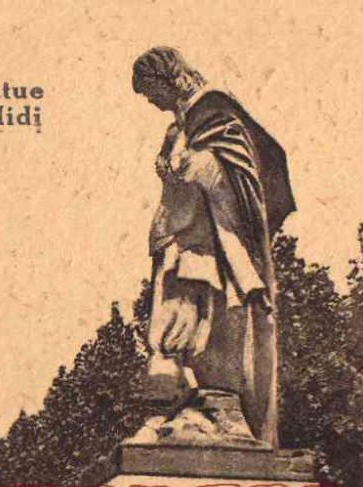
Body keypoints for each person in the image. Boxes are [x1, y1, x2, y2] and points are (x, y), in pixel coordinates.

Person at [130, 46, 294, 446]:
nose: (151, 102)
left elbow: (239, 175)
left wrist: (191, 165)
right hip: (180, 239)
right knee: (172, 323)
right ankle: (173, 408)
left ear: (168, 78)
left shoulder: (212, 108)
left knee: (209, 324)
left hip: (212, 243)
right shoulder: (178, 127)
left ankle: (223, 413)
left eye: (151, 91)